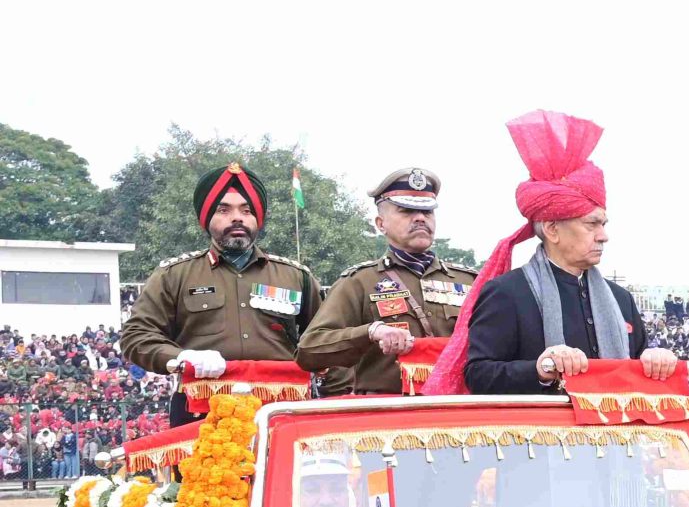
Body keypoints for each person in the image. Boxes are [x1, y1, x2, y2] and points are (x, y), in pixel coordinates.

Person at [428, 111, 684, 395]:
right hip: (539, 424)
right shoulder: (507, 293)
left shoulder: (620, 298)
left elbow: (636, 366)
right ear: (552, 229)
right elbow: (478, 375)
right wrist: (540, 369)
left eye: (604, 224)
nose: (603, 236)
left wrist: (655, 360)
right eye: (591, 224)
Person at [119, 162, 317, 423]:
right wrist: (181, 357)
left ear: (258, 218)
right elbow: (136, 336)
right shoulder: (174, 275)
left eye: (246, 210)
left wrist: (336, 403)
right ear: (206, 218)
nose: (237, 218)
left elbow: (328, 339)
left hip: (282, 412)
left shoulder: (295, 276)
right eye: (224, 210)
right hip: (201, 412)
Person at [298, 168, 476, 395]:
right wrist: (370, 332)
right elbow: (308, 350)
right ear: (381, 223)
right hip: (388, 409)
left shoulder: (470, 282)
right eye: (406, 211)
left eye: (427, 212)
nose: (420, 218)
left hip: (456, 407)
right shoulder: (360, 281)